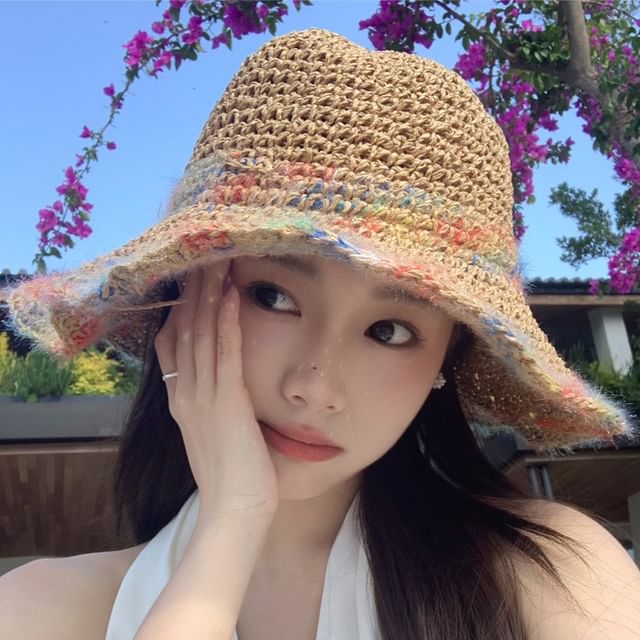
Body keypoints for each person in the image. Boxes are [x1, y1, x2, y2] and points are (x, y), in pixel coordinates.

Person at [1, 27, 639, 640]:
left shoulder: (551, 576)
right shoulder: (45, 609)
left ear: (448, 355)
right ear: (185, 293)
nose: (315, 386)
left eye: (389, 330)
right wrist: (231, 521)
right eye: (273, 296)